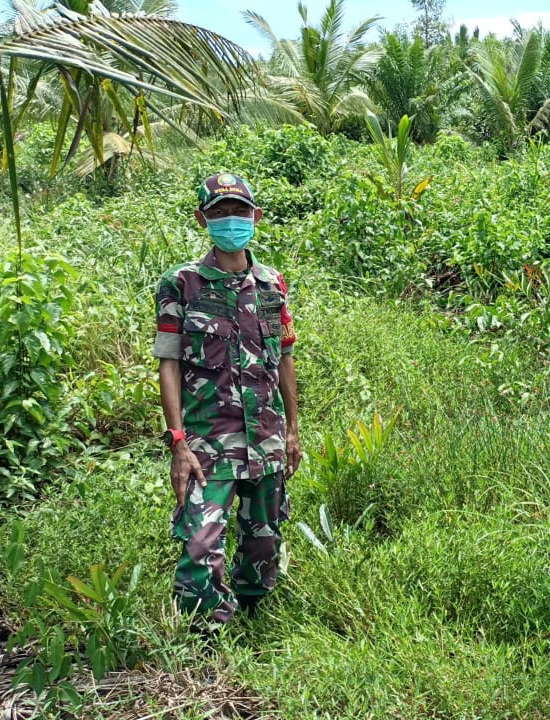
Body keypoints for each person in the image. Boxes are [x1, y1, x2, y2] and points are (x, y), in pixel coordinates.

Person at [154, 173, 301, 629]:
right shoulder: (182, 284)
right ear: (203, 219)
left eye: (239, 211)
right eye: (219, 213)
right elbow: (169, 364)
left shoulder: (272, 284)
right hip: (207, 444)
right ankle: (206, 637)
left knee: (264, 540)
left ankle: (255, 618)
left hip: (266, 439)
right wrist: (178, 442)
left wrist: (293, 431)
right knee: (200, 545)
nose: (230, 221)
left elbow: (285, 360)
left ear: (255, 217)